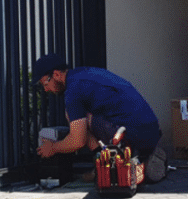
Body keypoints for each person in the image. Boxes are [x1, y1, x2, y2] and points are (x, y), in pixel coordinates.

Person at [32, 53, 163, 174]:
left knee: (73, 116)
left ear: (56, 75)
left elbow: (77, 141)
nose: (45, 89)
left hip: (134, 135)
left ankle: (106, 165)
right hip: (151, 132)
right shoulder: (84, 74)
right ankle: (143, 158)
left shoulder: (73, 90)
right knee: (79, 116)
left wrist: (53, 148)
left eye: (45, 83)